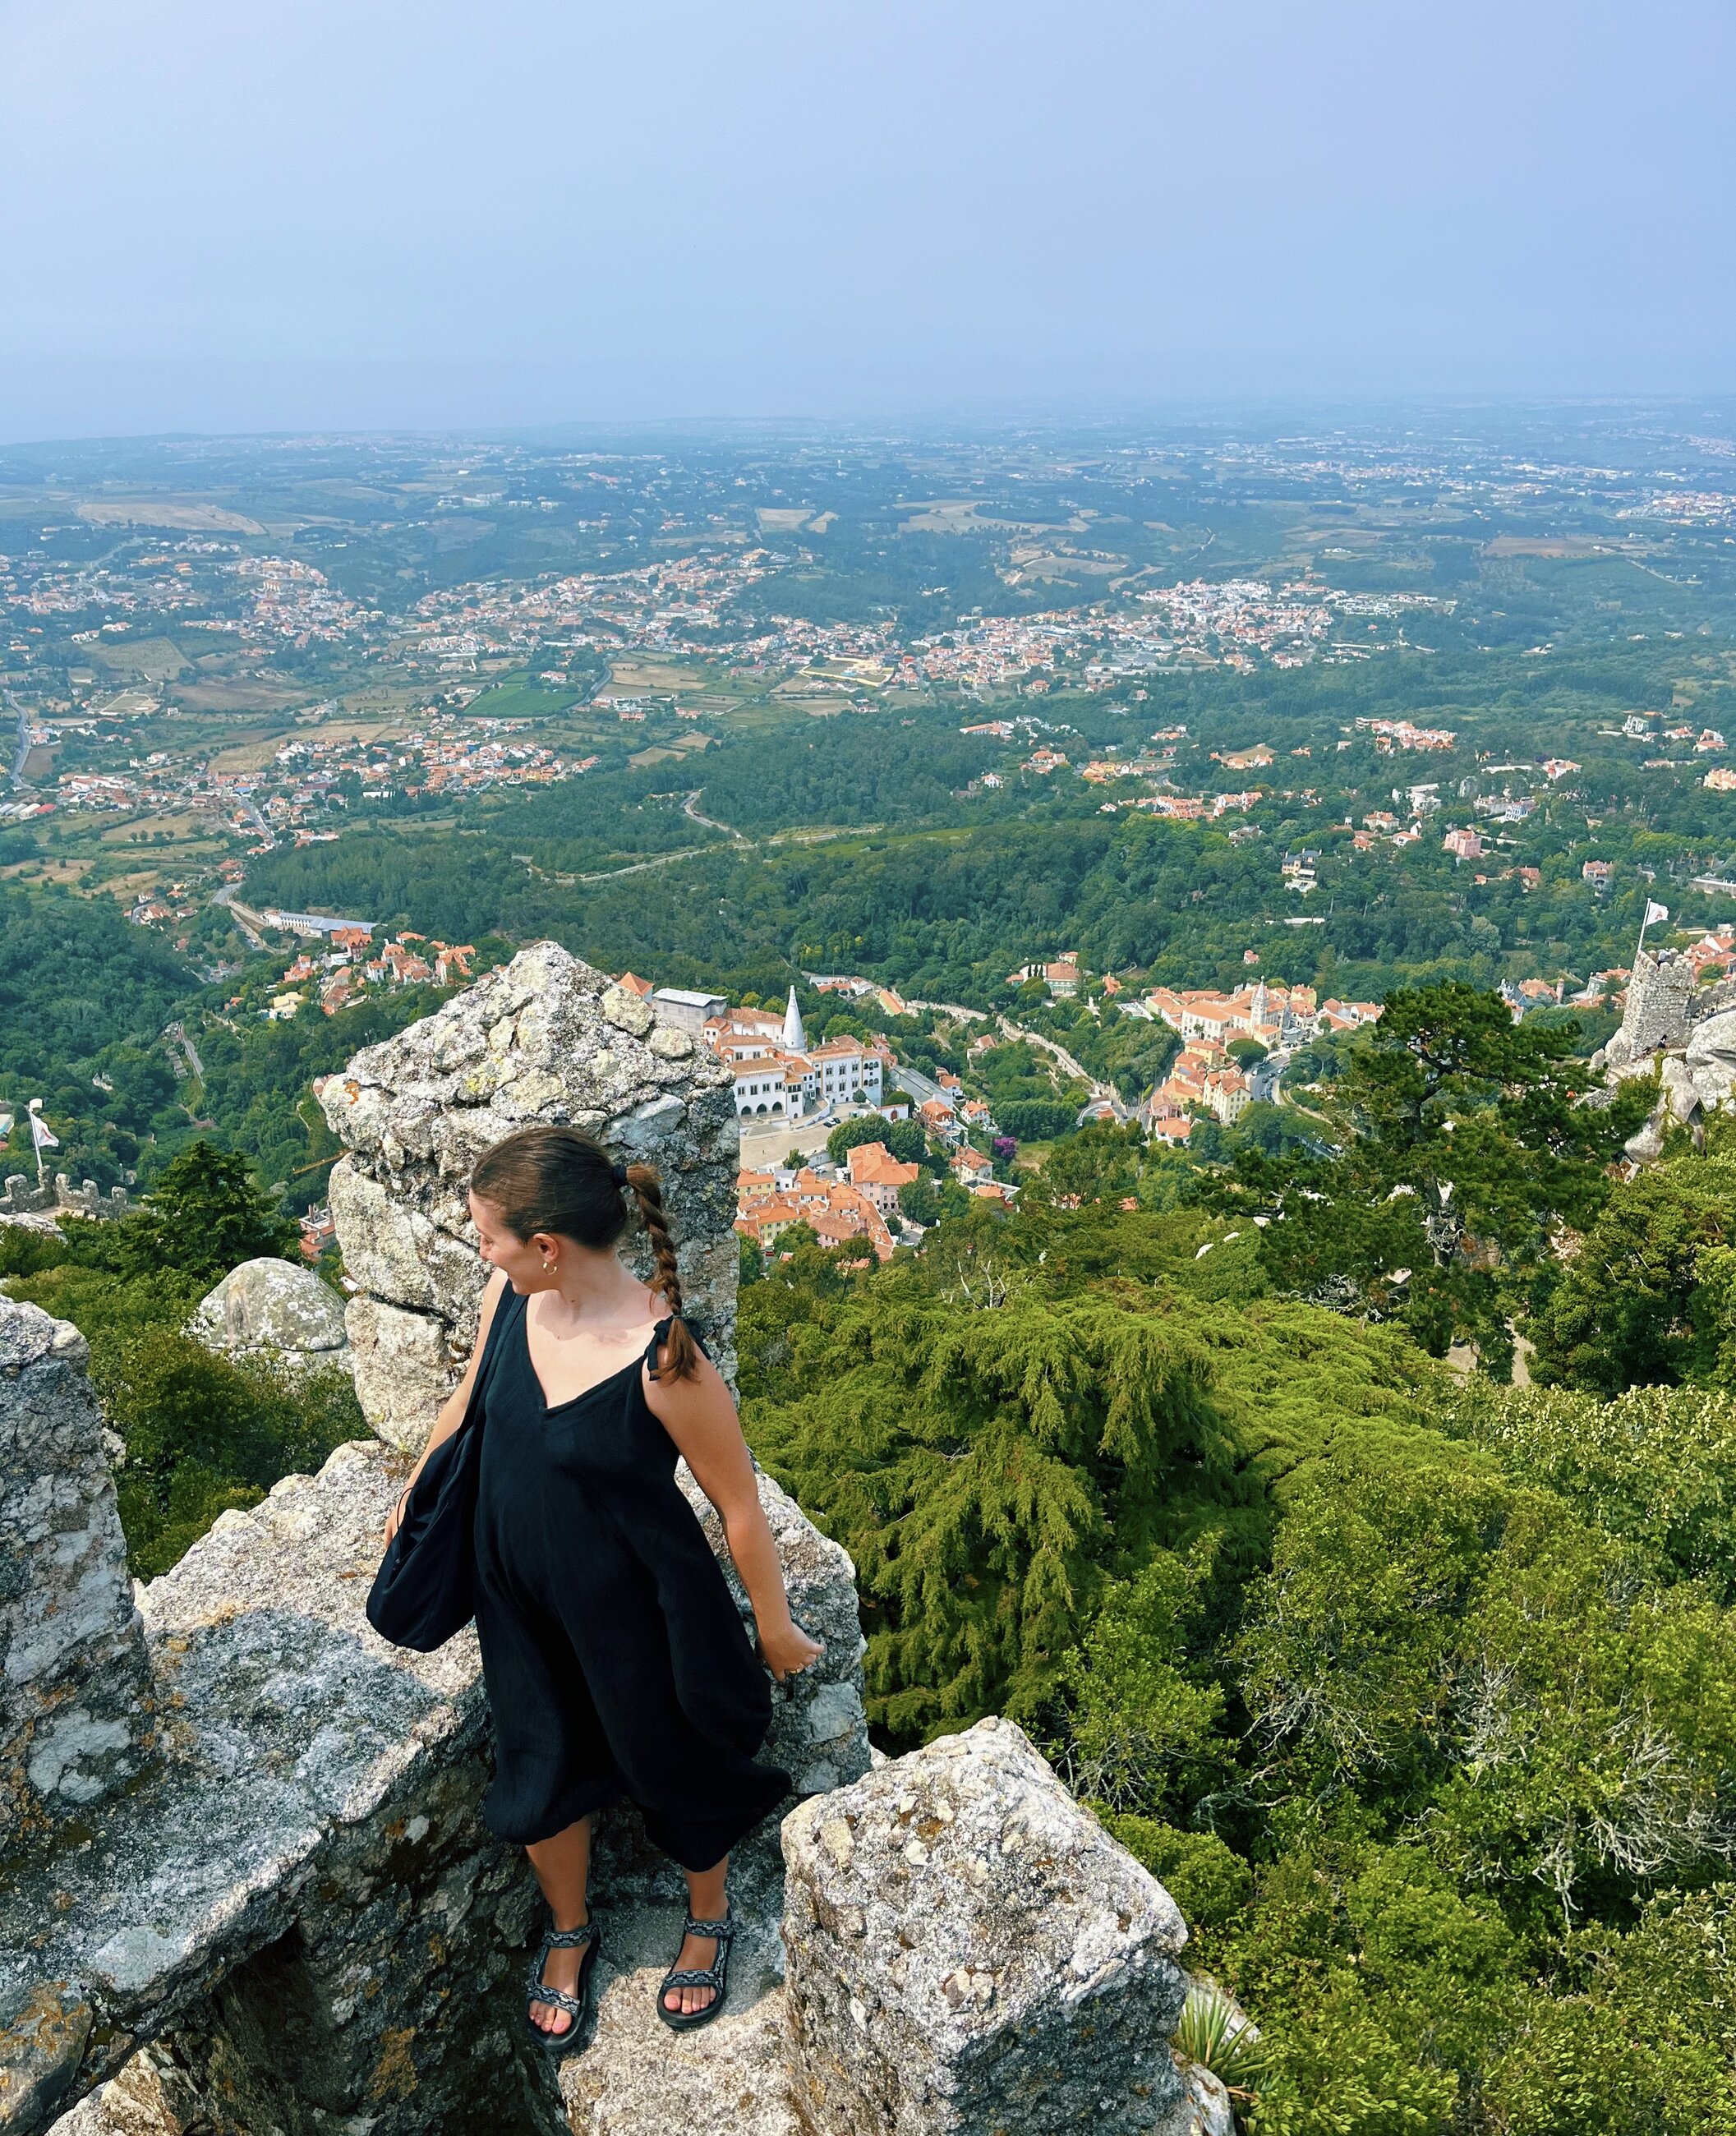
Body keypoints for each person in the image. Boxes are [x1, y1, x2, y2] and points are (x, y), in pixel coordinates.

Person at [382, 1124, 823, 2055]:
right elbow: (466, 1405)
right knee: (539, 1764)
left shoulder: (664, 1358)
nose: (481, 1250)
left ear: (547, 1245)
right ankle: (569, 1928)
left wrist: (775, 1627)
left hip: (635, 1610)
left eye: (488, 1234)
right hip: (519, 1598)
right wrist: (418, 1492)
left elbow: (738, 1504)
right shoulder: (510, 1297)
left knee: (673, 1756)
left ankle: (707, 1912)